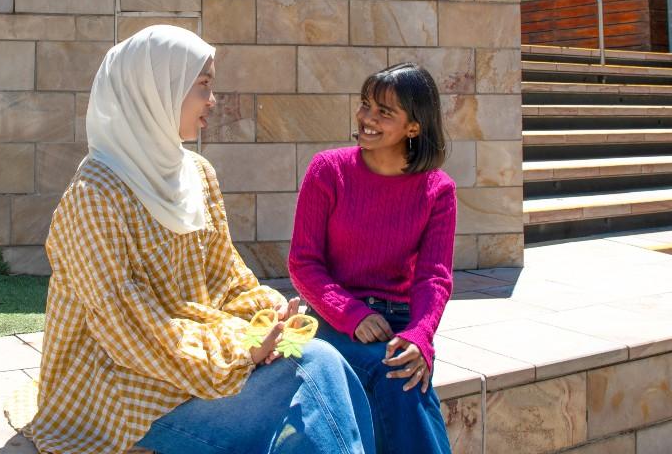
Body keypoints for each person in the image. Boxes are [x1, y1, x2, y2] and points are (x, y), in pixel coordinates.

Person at [22, 25, 375, 454]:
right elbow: (129, 331)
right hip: (124, 390)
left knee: (321, 359)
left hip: (193, 364)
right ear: (156, 91)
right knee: (314, 370)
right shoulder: (94, 196)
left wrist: (272, 315)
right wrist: (238, 350)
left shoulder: (197, 173)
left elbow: (225, 278)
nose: (213, 100)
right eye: (203, 86)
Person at [288, 63, 455, 454]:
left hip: (398, 321)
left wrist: (420, 336)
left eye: (384, 112)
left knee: (406, 369)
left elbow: (434, 277)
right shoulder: (328, 170)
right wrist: (353, 314)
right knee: (397, 376)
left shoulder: (438, 190)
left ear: (414, 127)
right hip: (333, 320)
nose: (367, 118)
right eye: (366, 105)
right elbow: (303, 263)